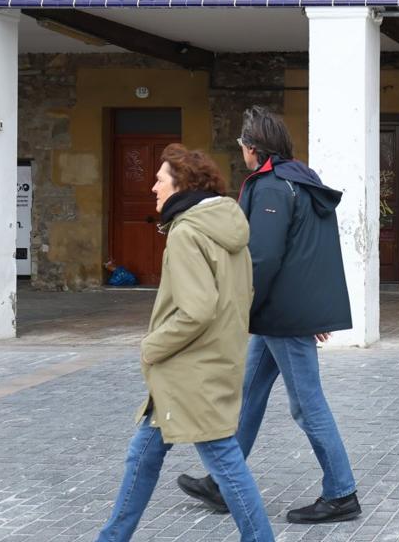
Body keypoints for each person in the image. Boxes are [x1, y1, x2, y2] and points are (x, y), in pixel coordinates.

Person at [177, 106, 360, 524]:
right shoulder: (299, 180)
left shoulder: (274, 187)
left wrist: (232, 308)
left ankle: (341, 492)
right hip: (283, 314)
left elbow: (262, 257)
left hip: (281, 316)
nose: (241, 151)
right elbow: (314, 254)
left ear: (252, 148)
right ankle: (223, 482)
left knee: (307, 405)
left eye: (242, 145)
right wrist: (314, 312)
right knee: (248, 391)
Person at [97, 145, 273, 542]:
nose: (153, 189)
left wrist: (152, 346)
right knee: (143, 457)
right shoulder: (227, 228)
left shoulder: (187, 233)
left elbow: (196, 310)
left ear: (181, 185)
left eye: (160, 180)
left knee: (225, 463)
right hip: (205, 366)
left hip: (190, 372)